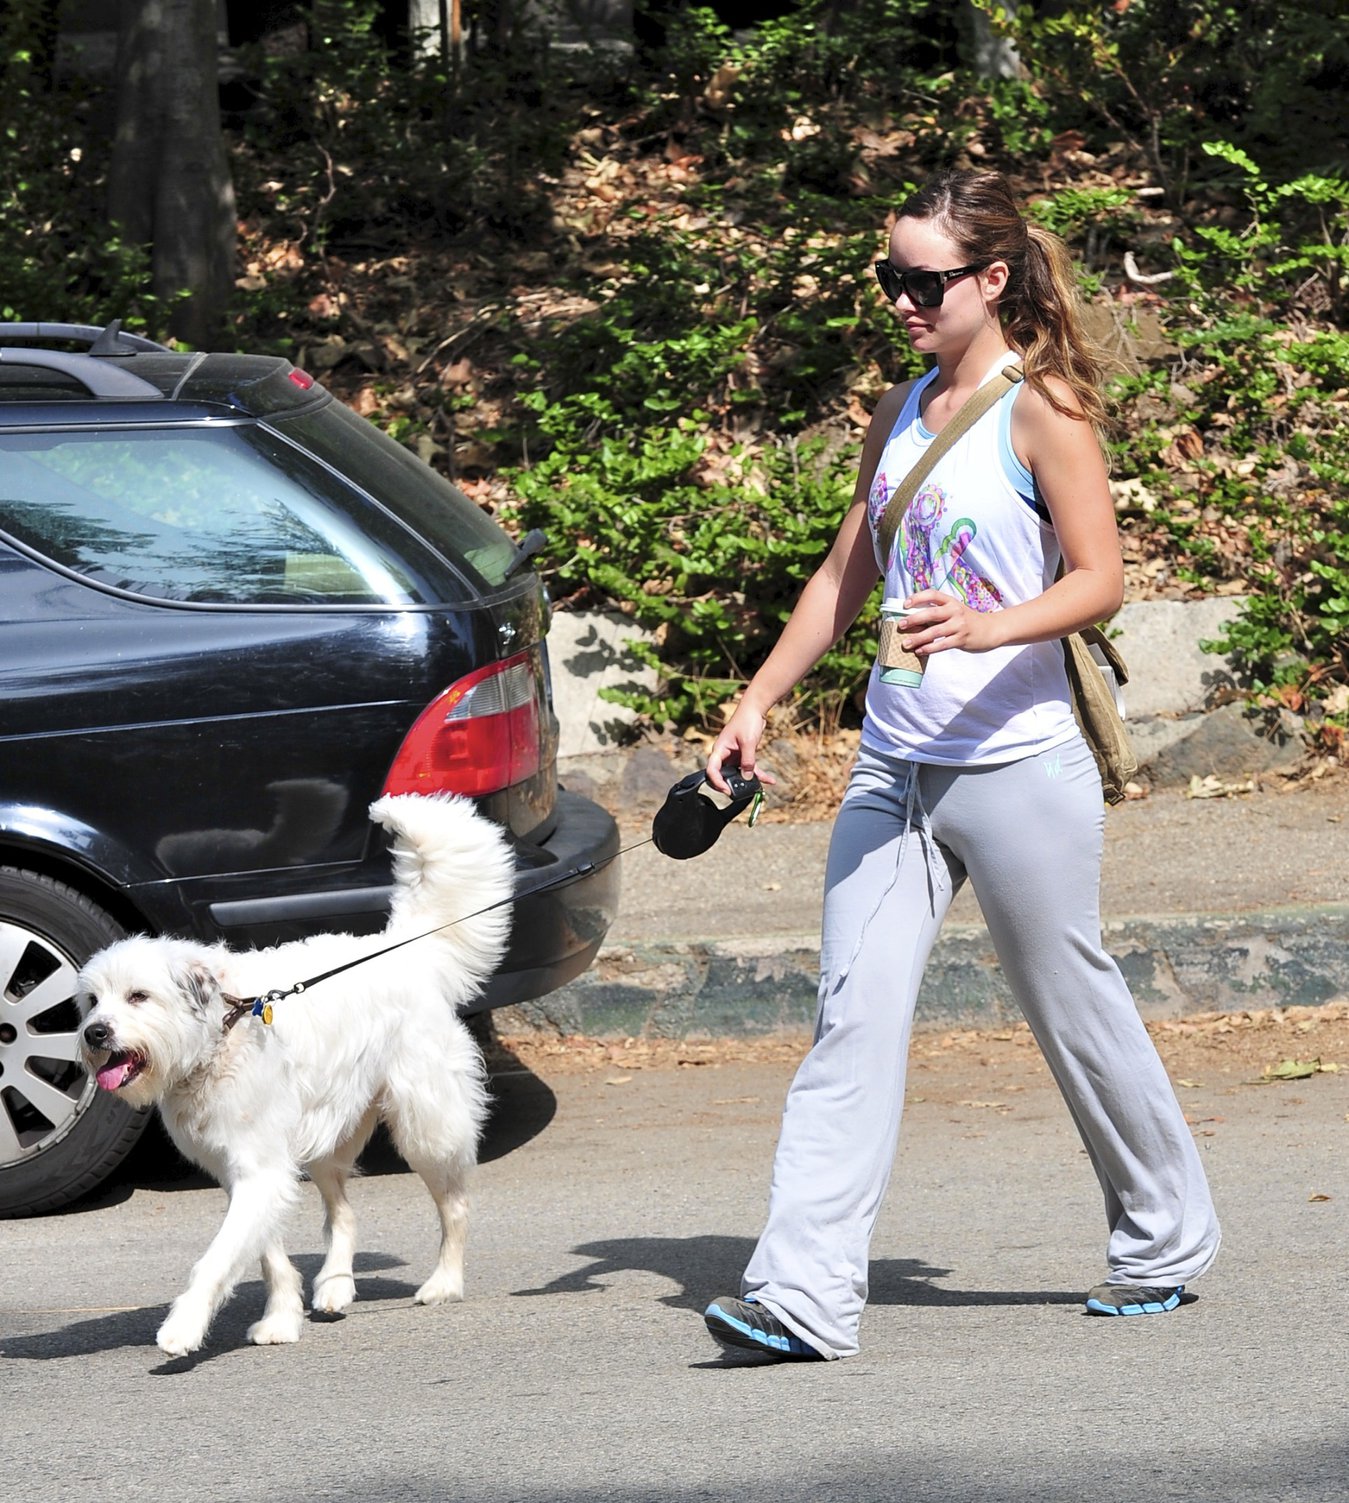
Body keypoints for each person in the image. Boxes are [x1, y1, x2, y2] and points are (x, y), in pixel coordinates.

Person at [701, 168, 1221, 1363]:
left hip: (1017, 765)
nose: (899, 301)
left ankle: (1161, 1234)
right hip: (893, 766)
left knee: (1071, 1007)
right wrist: (757, 699)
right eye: (887, 279)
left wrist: (989, 624)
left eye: (921, 282)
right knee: (850, 1018)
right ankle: (803, 1293)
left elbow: (1101, 579)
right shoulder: (898, 410)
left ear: (990, 280)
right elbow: (845, 579)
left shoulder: (1039, 409)